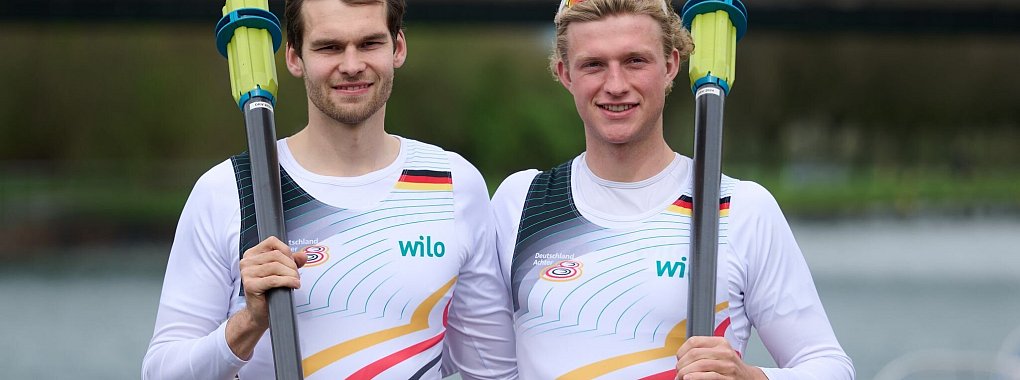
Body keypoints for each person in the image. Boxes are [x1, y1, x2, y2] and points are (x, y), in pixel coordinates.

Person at [142, 0, 516, 379]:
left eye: (370, 43)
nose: (352, 65)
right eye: (330, 47)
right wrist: (249, 323)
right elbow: (160, 373)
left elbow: (491, 371)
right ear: (293, 57)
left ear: (397, 48)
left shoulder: (455, 184)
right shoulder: (228, 190)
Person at [490, 0, 855, 379]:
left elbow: (831, 367)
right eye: (594, 64)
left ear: (671, 66)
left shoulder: (740, 208)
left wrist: (749, 377)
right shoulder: (520, 201)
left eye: (635, 61)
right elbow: (488, 369)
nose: (615, 85)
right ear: (566, 74)